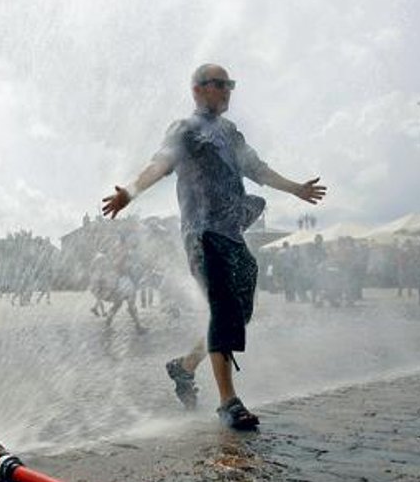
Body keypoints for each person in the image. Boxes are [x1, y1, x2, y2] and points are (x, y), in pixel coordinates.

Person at [102, 63, 326, 430]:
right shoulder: (185, 130)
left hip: (232, 234)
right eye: (220, 84)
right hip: (202, 232)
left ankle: (185, 365)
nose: (227, 91)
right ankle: (229, 402)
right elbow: (160, 164)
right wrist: (129, 193)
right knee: (223, 308)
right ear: (198, 89)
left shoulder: (230, 132)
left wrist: (297, 189)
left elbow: (259, 169)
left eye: (230, 84)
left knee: (238, 313)